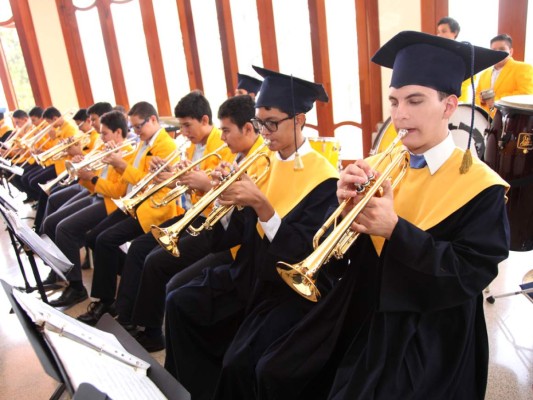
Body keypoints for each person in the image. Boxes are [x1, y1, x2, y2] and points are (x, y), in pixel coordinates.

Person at [254, 31, 511, 400]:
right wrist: (342, 211)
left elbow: (469, 273)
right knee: (276, 370)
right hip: (361, 306)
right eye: (394, 101)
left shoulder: (482, 187)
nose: (400, 114)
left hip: (428, 326)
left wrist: (395, 230)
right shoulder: (375, 167)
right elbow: (344, 256)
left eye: (415, 100)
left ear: (449, 106)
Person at [164, 66, 340, 400]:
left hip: (284, 288)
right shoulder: (265, 162)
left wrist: (263, 207)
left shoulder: (324, 180)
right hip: (247, 273)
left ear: (299, 121)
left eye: (271, 123)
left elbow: (305, 255)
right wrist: (226, 198)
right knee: (179, 302)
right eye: (259, 123)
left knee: (240, 363)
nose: (264, 132)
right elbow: (236, 236)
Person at [112, 91, 234, 351]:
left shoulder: (221, 145)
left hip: (210, 221)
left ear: (204, 120)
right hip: (191, 214)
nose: (183, 131)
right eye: (180, 126)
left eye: (187, 125)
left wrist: (195, 182)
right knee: (141, 247)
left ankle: (153, 332)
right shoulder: (192, 146)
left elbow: (219, 194)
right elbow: (187, 185)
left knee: (156, 260)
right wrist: (167, 174)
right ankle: (128, 317)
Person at [75, 101, 178, 326]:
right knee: (95, 238)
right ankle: (119, 288)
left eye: (138, 127)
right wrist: (107, 165)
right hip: (131, 204)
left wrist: (120, 165)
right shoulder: (143, 142)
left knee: (108, 241)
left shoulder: (165, 146)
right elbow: (123, 183)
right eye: (133, 128)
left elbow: (150, 183)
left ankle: (108, 302)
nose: (136, 132)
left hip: (152, 209)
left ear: (153, 120)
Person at [43, 110, 134, 308]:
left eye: (105, 133)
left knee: (65, 229)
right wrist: (83, 173)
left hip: (110, 201)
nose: (101, 137)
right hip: (97, 195)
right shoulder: (108, 148)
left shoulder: (127, 152)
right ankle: (66, 267)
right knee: (52, 223)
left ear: (118, 132)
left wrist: (90, 176)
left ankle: (76, 287)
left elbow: (117, 191)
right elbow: (95, 184)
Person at [476, 33, 533, 117]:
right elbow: (476, 96)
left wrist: (495, 100)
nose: (498, 53)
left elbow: (525, 94)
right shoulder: (485, 73)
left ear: (510, 51)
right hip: (485, 121)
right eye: (494, 50)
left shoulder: (524, 68)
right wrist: (481, 100)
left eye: (502, 49)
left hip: (512, 121)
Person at [435, 17, 472, 103]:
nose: (439, 35)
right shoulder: (437, 53)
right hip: (439, 98)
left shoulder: (464, 52)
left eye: (443, 31)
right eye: (438, 32)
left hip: (459, 99)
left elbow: (469, 77)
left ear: (454, 32)